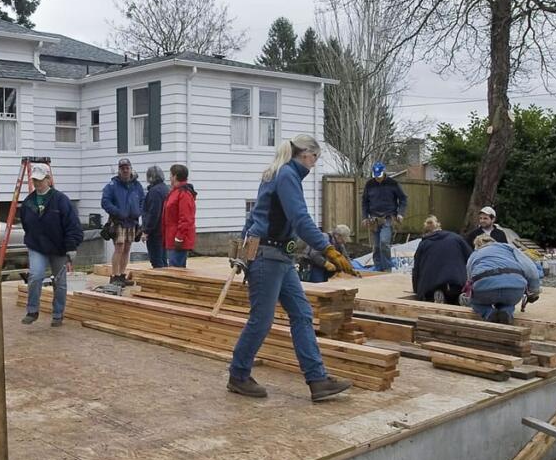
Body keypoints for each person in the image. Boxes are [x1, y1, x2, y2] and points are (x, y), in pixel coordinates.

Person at [227, 134, 353, 402]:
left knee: (302, 314)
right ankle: (238, 375)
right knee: (261, 320)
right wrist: (327, 248)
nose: (315, 165)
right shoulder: (286, 175)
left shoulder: (281, 174)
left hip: (280, 257)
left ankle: (318, 381)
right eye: (315, 159)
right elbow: (300, 218)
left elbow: (255, 216)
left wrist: (242, 250)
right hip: (267, 257)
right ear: (306, 155)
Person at [19, 163, 83, 327]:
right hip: (37, 246)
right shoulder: (28, 202)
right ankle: (32, 310)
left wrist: (71, 247)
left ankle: (57, 314)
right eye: (35, 180)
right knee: (36, 275)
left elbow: (72, 225)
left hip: (59, 247)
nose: (37, 183)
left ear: (49, 179)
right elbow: (27, 225)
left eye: (40, 180)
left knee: (60, 282)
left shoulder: (61, 200)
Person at [466, 233, 540, 324]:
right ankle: (507, 312)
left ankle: (489, 313)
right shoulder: (508, 248)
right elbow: (530, 268)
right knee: (509, 303)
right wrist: (534, 292)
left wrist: (471, 294)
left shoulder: (474, 254)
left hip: (485, 288)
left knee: (475, 302)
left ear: (477, 246)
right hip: (514, 288)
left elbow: (469, 279)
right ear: (493, 241)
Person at [101, 157, 145, 286]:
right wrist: (117, 211)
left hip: (132, 221)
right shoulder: (112, 186)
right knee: (119, 248)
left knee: (127, 248)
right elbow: (105, 202)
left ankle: (122, 275)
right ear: (119, 170)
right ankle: (114, 276)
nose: (125, 170)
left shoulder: (137, 185)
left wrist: (139, 211)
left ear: (131, 168)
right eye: (122, 168)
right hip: (118, 221)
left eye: (127, 168)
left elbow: (143, 200)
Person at [412, 215, 471, 304]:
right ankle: (459, 297)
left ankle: (436, 294)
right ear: (440, 227)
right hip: (457, 282)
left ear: (426, 232)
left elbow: (416, 269)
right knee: (456, 295)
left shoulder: (424, 244)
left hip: (432, 284)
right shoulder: (456, 238)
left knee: (430, 294)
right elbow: (471, 257)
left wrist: (417, 290)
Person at [362, 162, 407, 271]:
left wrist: (400, 213)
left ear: (384, 172)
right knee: (376, 247)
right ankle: (378, 269)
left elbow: (403, 199)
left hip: (388, 217)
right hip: (374, 219)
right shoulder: (369, 184)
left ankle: (387, 269)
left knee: (384, 243)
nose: (378, 178)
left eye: (379, 175)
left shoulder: (393, 183)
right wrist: (364, 217)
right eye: (376, 175)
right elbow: (364, 202)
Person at [162, 163, 197, 268]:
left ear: (175, 176)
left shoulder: (184, 194)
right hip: (171, 237)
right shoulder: (175, 192)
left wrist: (179, 238)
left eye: (171, 175)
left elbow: (186, 218)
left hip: (178, 241)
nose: (169, 177)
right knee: (173, 267)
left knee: (176, 269)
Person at [142, 166, 170, 269]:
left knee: (156, 260)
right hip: (164, 230)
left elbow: (153, 213)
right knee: (163, 259)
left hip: (155, 232)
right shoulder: (166, 189)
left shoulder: (154, 192)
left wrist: (146, 230)